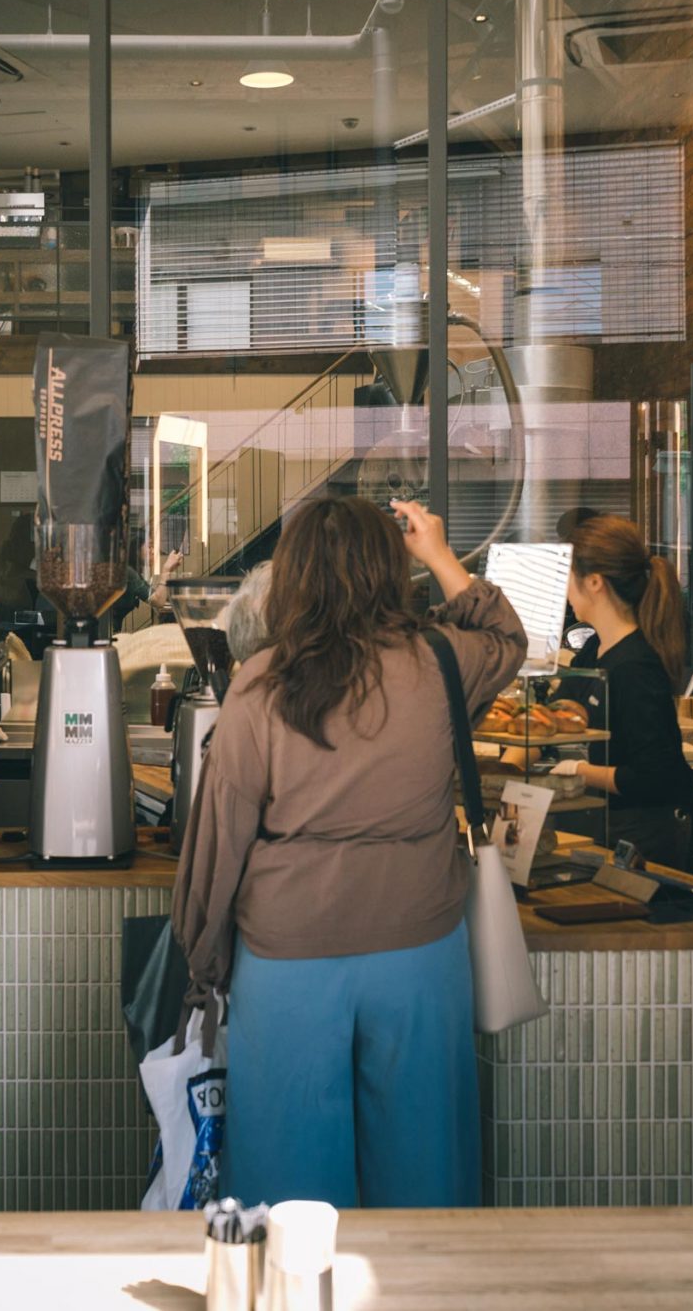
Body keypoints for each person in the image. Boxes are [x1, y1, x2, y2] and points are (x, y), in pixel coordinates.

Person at [172, 497, 525, 1209]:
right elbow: (507, 635)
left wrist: (203, 966)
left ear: (293, 577)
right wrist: (440, 553)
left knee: (289, 1195)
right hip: (420, 954)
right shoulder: (441, 662)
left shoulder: (261, 684)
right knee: (424, 1184)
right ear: (392, 571)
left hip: (286, 961)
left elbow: (220, 845)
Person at [560, 515, 693, 875]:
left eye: (568, 577)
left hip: (646, 839)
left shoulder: (635, 667)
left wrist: (578, 770)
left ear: (595, 582)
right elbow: (561, 710)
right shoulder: (593, 650)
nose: (565, 589)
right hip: (605, 828)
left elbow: (653, 777)